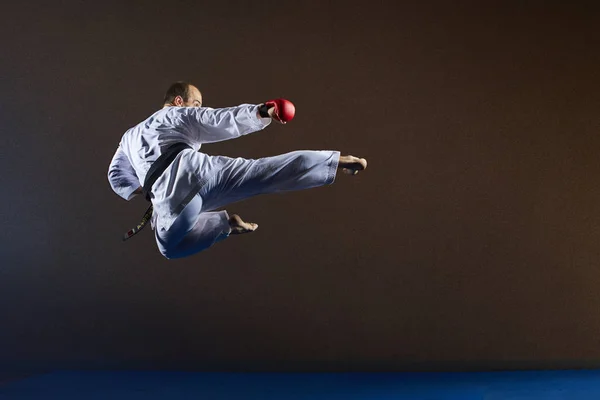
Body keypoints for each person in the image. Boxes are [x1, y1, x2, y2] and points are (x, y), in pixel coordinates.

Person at [108, 82, 367, 259]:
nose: (197, 108)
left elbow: (116, 175)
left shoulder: (128, 137)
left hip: (168, 194)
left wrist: (146, 188)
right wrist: (261, 111)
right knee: (265, 172)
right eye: (195, 103)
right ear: (179, 101)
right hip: (200, 171)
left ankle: (225, 225)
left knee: (168, 248)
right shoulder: (175, 115)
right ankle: (339, 161)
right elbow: (217, 119)